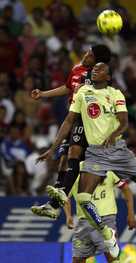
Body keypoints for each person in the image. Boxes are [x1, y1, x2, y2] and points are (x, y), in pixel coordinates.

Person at [36, 62, 136, 258]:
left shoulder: (115, 94)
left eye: (101, 69)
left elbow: (124, 122)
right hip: (95, 153)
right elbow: (69, 121)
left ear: (108, 76)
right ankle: (107, 234)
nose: (95, 70)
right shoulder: (82, 93)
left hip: (118, 150)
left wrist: (114, 135)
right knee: (83, 197)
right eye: (94, 68)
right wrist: (53, 148)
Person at [31, 45, 111, 219]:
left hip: (88, 120)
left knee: (73, 154)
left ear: (96, 61)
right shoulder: (77, 69)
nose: (85, 55)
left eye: (90, 55)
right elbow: (67, 88)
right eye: (87, 52)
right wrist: (43, 94)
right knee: (64, 159)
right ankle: (54, 204)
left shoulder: (96, 77)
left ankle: (57, 203)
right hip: (74, 117)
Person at [64, 170, 136, 263]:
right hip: (84, 222)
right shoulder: (74, 173)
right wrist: (68, 216)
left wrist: (131, 214)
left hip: (106, 220)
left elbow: (126, 190)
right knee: (77, 259)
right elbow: (65, 196)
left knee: (112, 257)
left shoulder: (108, 171)